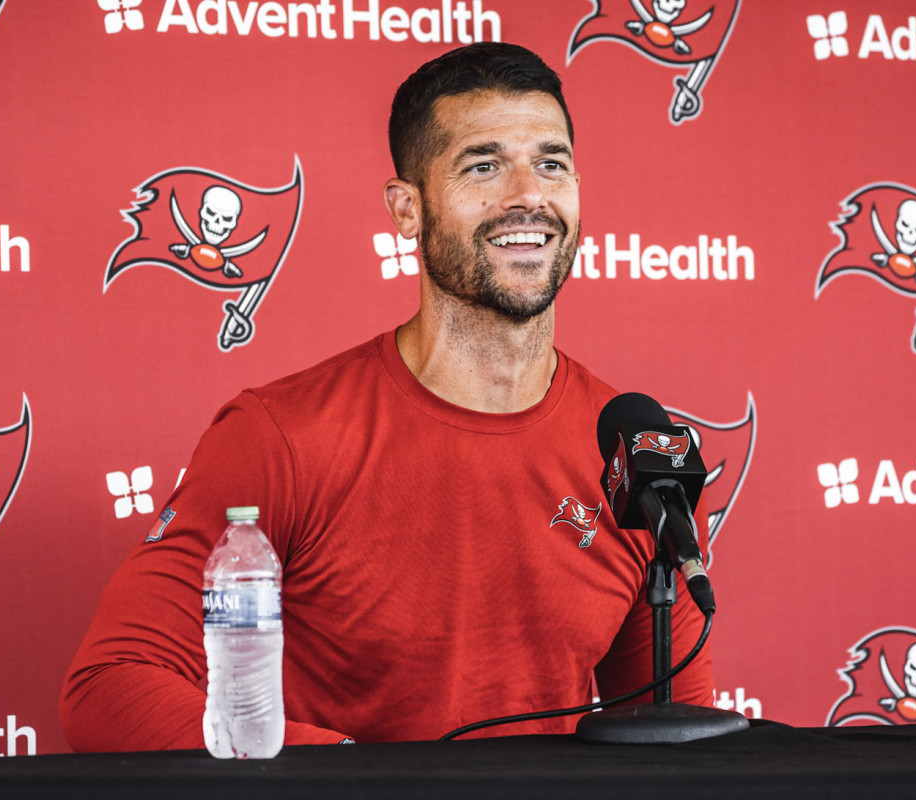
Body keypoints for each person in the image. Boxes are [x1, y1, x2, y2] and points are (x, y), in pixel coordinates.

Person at [60, 41, 713, 750]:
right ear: (407, 209)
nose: (528, 193)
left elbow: (673, 738)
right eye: (484, 165)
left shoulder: (633, 457)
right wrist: (353, 775)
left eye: (550, 164)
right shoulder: (281, 436)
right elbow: (111, 685)